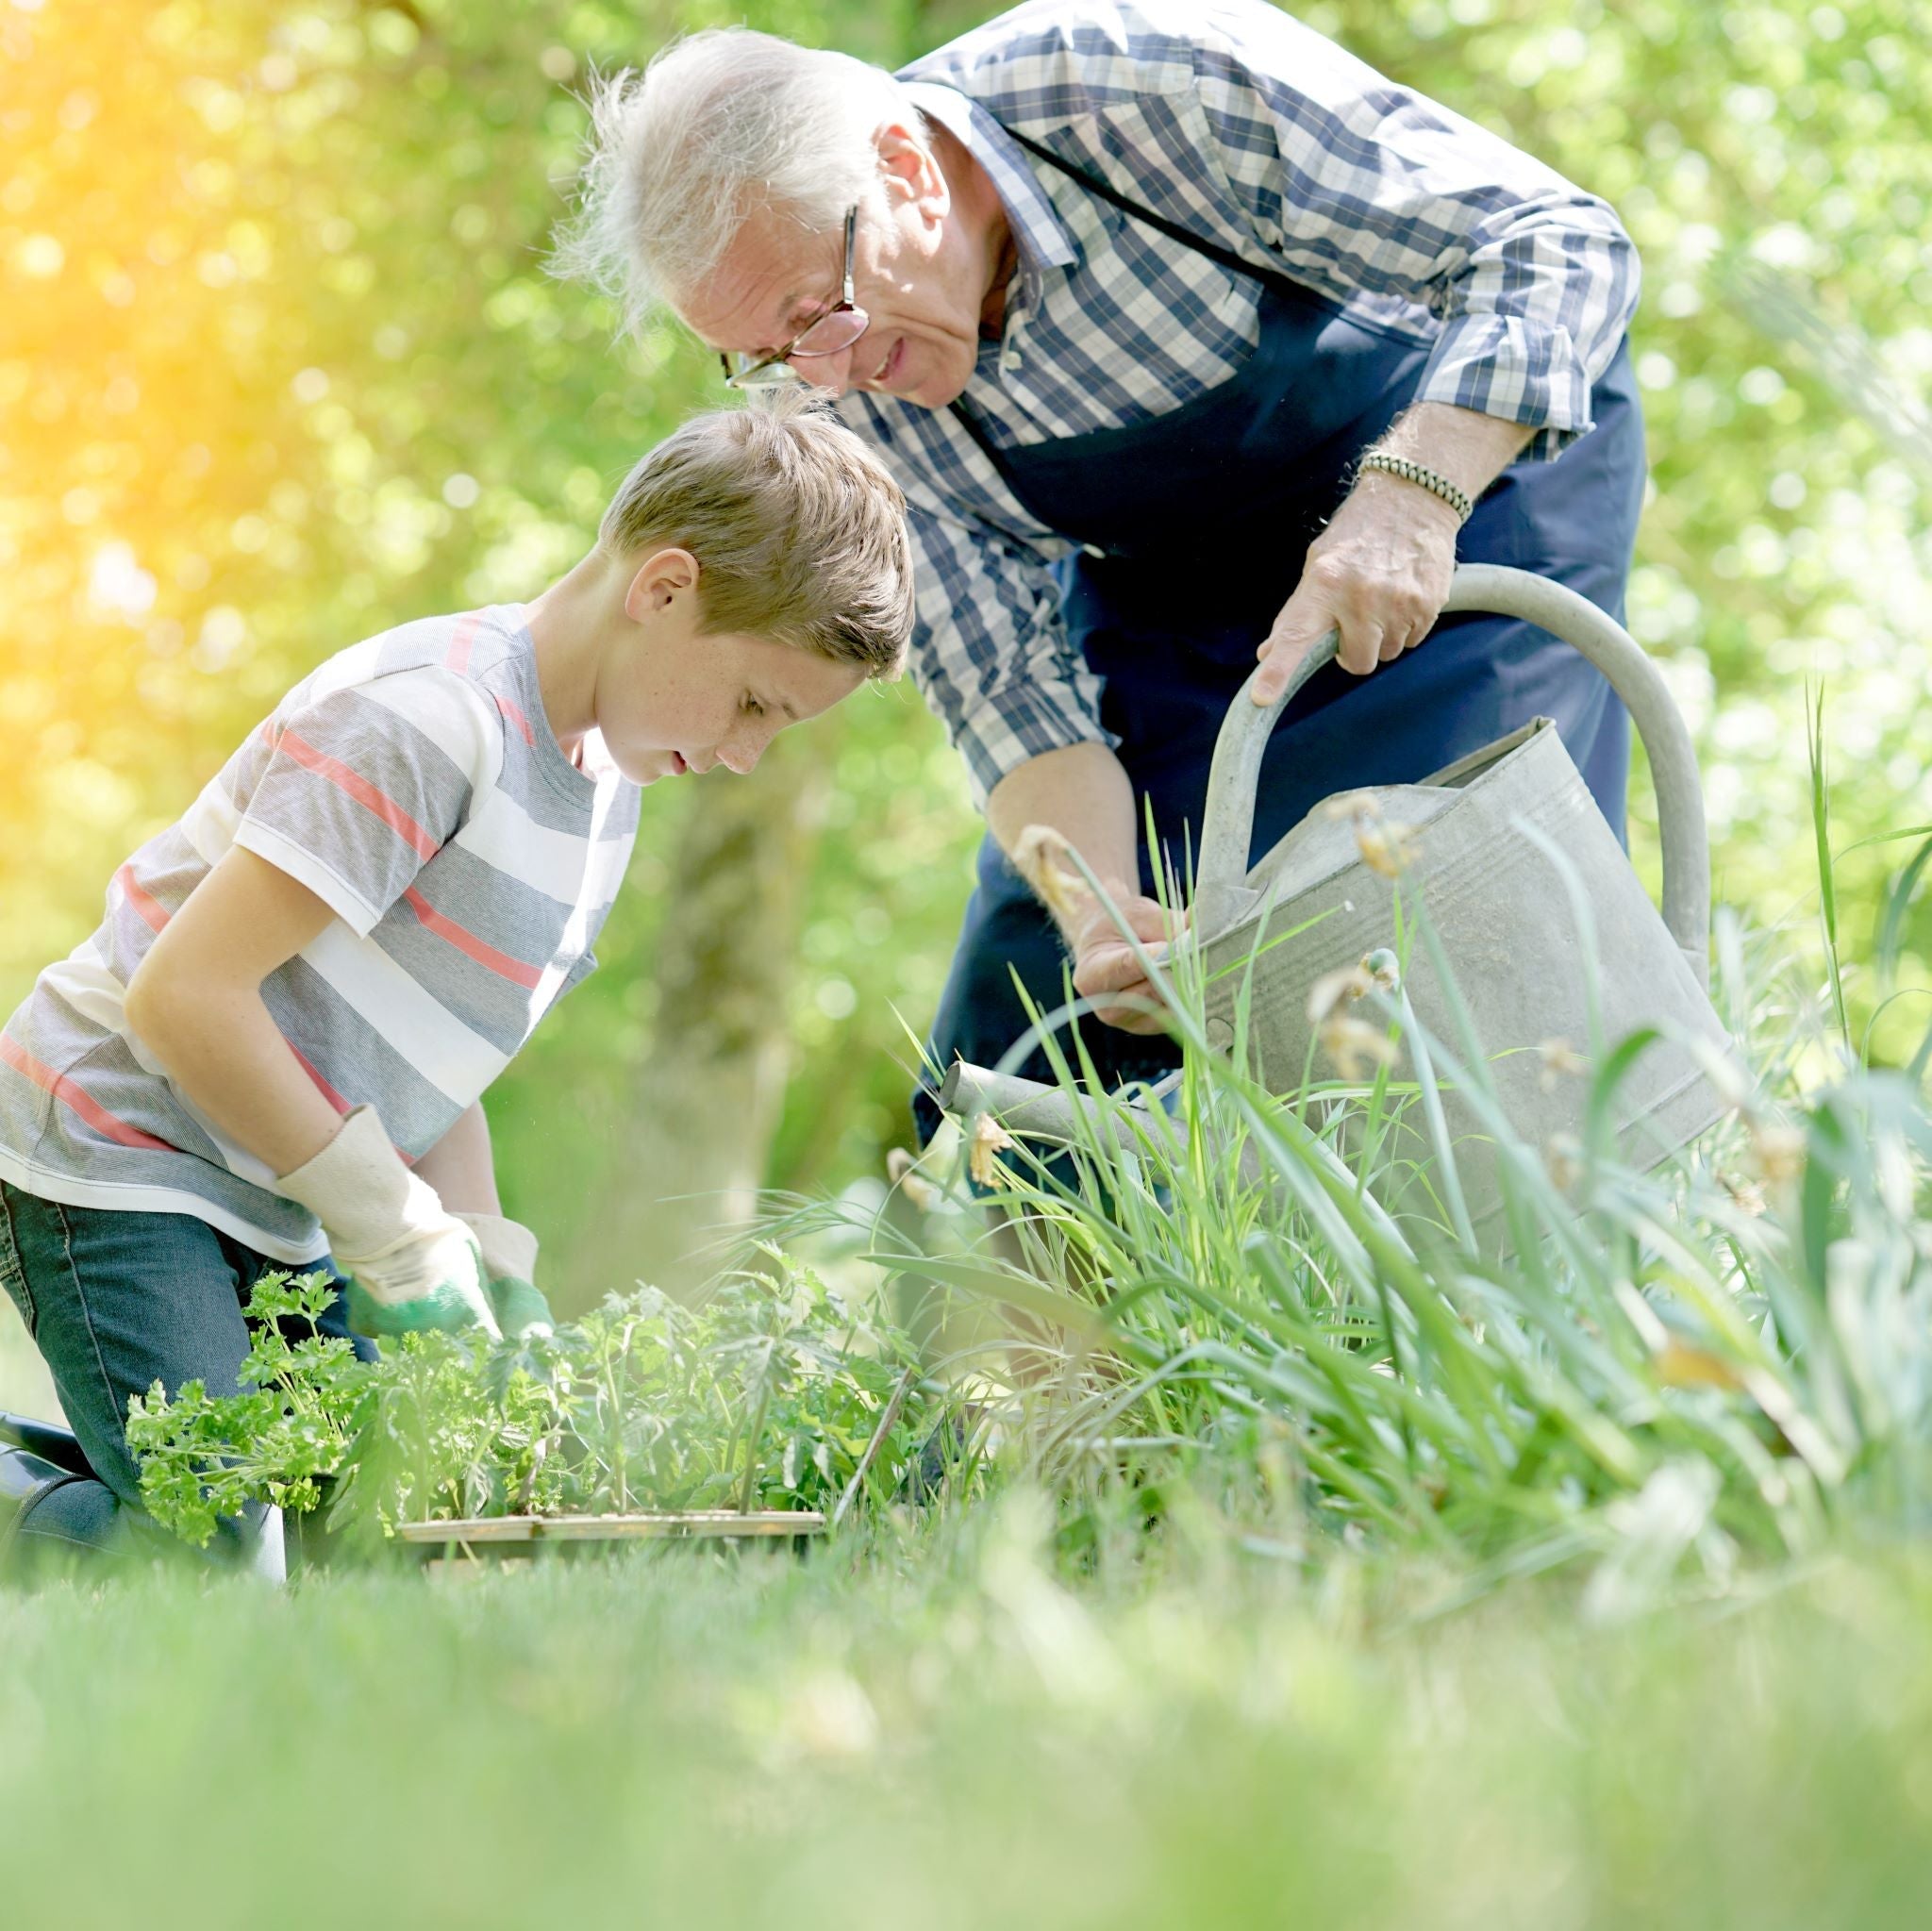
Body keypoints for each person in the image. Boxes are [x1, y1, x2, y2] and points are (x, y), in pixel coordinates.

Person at [558, 0, 1646, 1141]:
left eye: (813, 317)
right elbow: (1002, 684)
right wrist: (1099, 916)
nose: (822, 384)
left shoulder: (1136, 79)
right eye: (769, 357)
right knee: (1029, 1055)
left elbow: (1552, 244)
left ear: (903, 174)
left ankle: (1531, 1232)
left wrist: (1407, 502)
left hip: (1460, 494)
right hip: (1179, 592)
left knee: (1415, 938)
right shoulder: (835, 391)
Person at [0, 393, 913, 1573]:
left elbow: (436, 1057)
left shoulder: (603, 798)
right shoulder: (431, 719)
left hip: (275, 1184)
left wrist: (488, 1262)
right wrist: (395, 1235)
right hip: (121, 1146)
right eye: (751, 703)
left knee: (379, 1544)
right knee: (215, 1562)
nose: (745, 753)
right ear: (663, 589)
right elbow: (180, 998)